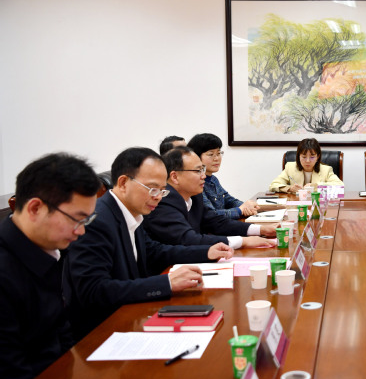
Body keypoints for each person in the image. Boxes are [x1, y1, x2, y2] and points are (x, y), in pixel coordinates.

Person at [64, 147, 235, 339]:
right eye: (152, 189)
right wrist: (167, 282)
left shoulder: (131, 212)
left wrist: (206, 252)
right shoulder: (96, 221)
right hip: (103, 332)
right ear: (123, 183)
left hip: (133, 315)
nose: (158, 197)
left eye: (162, 190)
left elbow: (154, 251)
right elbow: (94, 290)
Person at [0, 153, 108, 379]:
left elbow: (60, 330)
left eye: (87, 220)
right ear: (35, 208)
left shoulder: (49, 247)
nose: (81, 231)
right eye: (76, 219)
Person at [144, 146, 277, 247]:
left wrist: (261, 229)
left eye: (202, 169)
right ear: (174, 177)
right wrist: (243, 241)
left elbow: (216, 222)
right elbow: (188, 239)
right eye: (198, 171)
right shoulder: (163, 201)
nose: (203, 176)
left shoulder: (194, 196)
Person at [187, 133, 258, 219]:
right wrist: (240, 210)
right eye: (211, 154)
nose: (216, 158)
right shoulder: (195, 182)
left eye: (218, 153)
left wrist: (247, 207)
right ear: (196, 156)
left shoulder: (213, 179)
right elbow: (211, 214)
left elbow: (228, 200)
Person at [269, 138, 344, 193]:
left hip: (317, 204)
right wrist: (290, 188)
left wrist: (316, 186)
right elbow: (273, 185)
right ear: (299, 156)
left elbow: (340, 186)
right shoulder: (290, 167)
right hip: (296, 205)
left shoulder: (326, 170)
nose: (307, 161)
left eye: (312, 157)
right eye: (304, 157)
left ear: (318, 157)